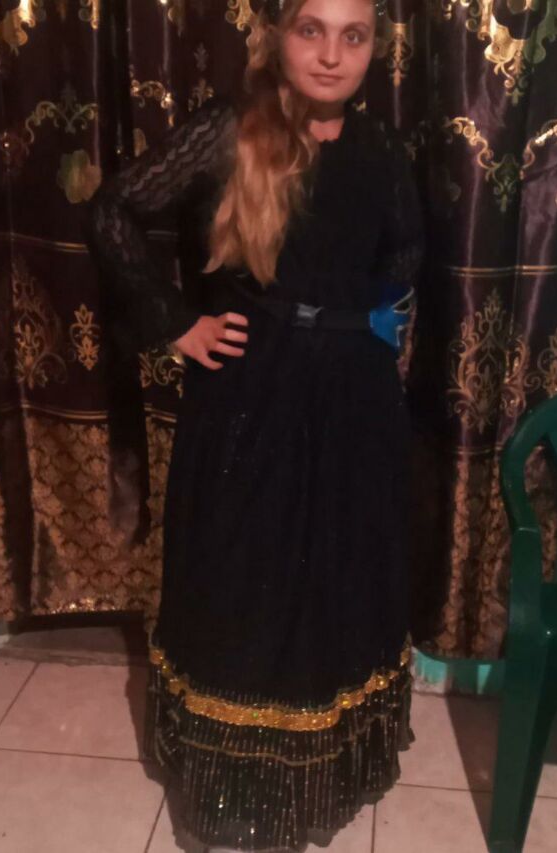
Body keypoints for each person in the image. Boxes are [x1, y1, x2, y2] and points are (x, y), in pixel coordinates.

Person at [90, 0, 424, 850]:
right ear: (277, 35)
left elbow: (404, 251)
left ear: (374, 48)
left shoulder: (381, 147)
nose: (331, 54)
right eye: (313, 30)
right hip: (251, 395)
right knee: (240, 590)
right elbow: (113, 210)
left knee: (335, 587)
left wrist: (373, 322)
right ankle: (232, 792)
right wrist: (177, 323)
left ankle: (316, 778)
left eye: (353, 36)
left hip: (353, 405)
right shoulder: (229, 128)